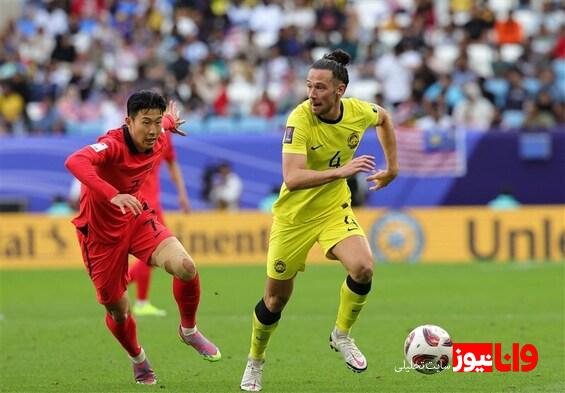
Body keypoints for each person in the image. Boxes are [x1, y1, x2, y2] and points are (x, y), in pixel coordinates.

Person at [239, 49, 398, 391]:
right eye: (309, 86)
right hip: (294, 217)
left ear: (340, 89)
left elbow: (384, 118)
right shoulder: (299, 119)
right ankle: (255, 360)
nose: (312, 94)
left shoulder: (358, 111)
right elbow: (292, 177)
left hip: (332, 209)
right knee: (275, 300)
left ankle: (341, 335)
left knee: (364, 268)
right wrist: (342, 171)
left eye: (320, 88)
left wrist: (393, 168)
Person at [64, 91, 221, 385]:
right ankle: (138, 358)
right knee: (118, 310)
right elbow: (74, 161)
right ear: (128, 121)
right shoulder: (111, 144)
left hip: (136, 218)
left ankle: (188, 331)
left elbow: (166, 125)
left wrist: (170, 122)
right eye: (145, 122)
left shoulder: (160, 133)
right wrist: (113, 194)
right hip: (100, 235)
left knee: (186, 266)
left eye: (156, 122)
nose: (152, 130)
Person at [128, 129, 191, 317]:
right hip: (142, 204)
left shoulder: (164, 135)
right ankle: (126, 293)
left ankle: (133, 297)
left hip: (151, 203)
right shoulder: (131, 134)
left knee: (154, 255)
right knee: (156, 252)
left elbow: (172, 163)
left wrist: (182, 193)